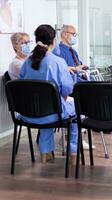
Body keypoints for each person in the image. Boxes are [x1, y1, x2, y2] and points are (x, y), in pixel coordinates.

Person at [19, 24, 78, 164]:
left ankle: (45, 152)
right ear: (54, 40)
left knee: (48, 107)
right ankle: (74, 152)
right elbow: (68, 89)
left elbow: (21, 85)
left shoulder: (27, 62)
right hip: (51, 114)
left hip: (28, 114)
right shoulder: (57, 62)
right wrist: (63, 97)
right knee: (76, 109)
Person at [53, 24, 95, 150]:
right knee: (86, 98)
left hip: (79, 82)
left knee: (100, 89)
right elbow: (61, 74)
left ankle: (99, 121)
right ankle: (75, 137)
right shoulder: (58, 52)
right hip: (70, 88)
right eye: (73, 34)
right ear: (65, 34)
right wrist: (74, 70)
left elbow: (78, 65)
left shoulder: (73, 51)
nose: (75, 37)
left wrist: (82, 68)